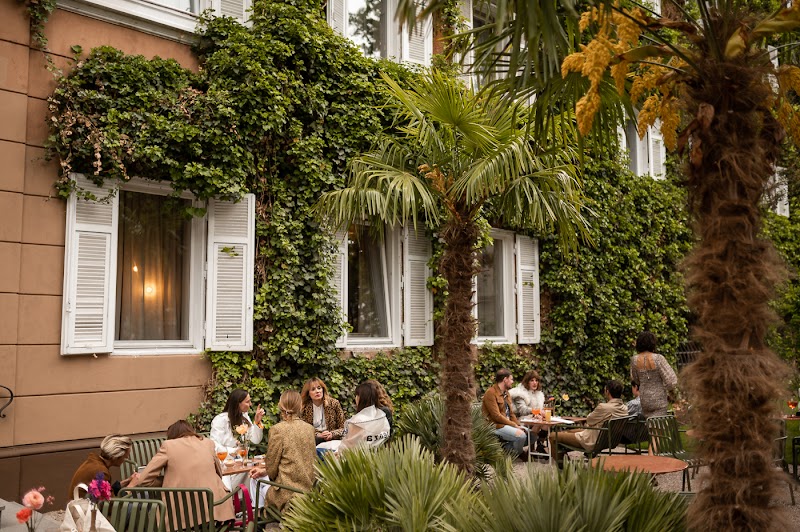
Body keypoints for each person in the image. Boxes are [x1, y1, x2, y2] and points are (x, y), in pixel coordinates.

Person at [130, 420, 234, 526]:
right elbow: (218, 473)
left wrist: (169, 480)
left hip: (180, 520)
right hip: (217, 515)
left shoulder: (168, 446)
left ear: (172, 435)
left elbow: (143, 480)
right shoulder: (208, 443)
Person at [249, 390, 316, 513]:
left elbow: (272, 468)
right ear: (300, 406)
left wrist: (266, 472)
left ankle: (259, 518)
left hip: (286, 493)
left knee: (257, 484)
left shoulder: (277, 430)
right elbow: (304, 460)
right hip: (309, 490)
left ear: (280, 406)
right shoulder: (310, 429)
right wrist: (265, 471)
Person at [549, 380, 628, 462]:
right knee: (569, 432)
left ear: (607, 391)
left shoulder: (604, 407)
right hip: (606, 440)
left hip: (591, 441)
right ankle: (565, 458)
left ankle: (562, 466)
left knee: (553, 436)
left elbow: (589, 420)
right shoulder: (624, 409)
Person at [210, 388, 265, 490]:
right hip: (225, 465)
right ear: (238, 403)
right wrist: (233, 451)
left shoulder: (244, 417)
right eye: (247, 402)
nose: (250, 404)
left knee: (255, 473)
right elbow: (214, 445)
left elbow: (255, 440)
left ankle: (250, 504)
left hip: (242, 462)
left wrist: (257, 422)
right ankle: (230, 503)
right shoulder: (220, 420)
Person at [482, 368, 530, 459]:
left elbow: (511, 414)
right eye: (511, 379)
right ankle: (518, 454)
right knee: (521, 436)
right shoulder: (490, 393)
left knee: (530, 434)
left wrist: (517, 425)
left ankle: (505, 449)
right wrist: (514, 425)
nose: (512, 381)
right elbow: (496, 416)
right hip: (495, 425)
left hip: (506, 424)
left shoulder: (506, 393)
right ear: (505, 379)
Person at [68, 434, 136, 499]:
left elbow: (105, 492)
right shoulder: (100, 471)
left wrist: (128, 481)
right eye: (125, 457)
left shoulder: (94, 463)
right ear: (116, 457)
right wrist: (132, 485)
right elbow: (112, 505)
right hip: (84, 509)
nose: (126, 459)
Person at [630, 331, 679, 418]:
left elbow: (636, 379)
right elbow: (672, 380)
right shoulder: (658, 358)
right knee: (659, 427)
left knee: (650, 426)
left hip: (644, 399)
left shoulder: (634, 360)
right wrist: (664, 388)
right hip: (659, 398)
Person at [337, 382, 391, 452]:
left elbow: (346, 447)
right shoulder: (382, 416)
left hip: (356, 460)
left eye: (356, 395)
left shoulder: (357, 421)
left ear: (360, 398)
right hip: (379, 457)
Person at [300, 377, 345, 450]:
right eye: (313, 389)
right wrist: (318, 435)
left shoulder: (334, 403)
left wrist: (332, 434)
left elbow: (343, 428)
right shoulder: (304, 407)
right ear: (308, 393)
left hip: (333, 440)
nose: (317, 391)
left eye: (319, 388)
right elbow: (303, 430)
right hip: (313, 441)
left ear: (323, 389)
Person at [509, 370, 548, 454]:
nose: (535, 383)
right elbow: (522, 410)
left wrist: (541, 413)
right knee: (538, 423)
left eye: (536, 380)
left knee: (546, 423)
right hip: (519, 419)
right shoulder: (520, 393)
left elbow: (539, 410)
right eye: (532, 380)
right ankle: (531, 450)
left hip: (532, 418)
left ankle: (540, 445)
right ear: (527, 382)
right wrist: (536, 412)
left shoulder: (539, 394)